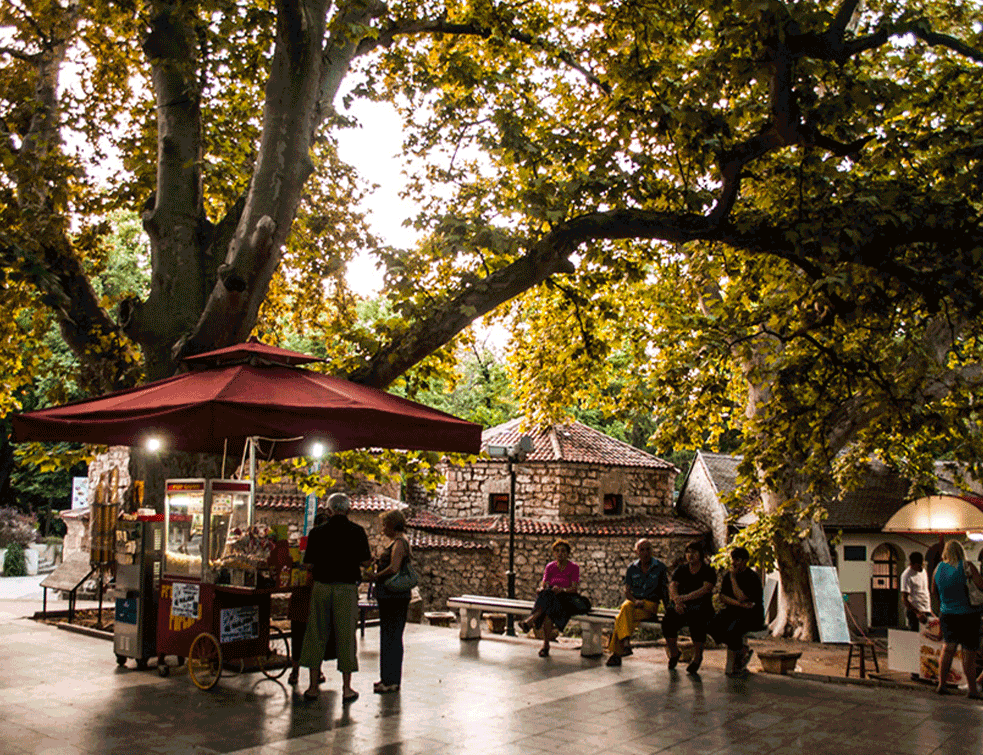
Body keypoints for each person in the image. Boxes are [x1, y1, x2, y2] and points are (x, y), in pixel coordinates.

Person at [299, 492, 372, 703]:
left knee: (316, 633)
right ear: (348, 510)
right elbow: (366, 562)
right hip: (346, 589)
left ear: (329, 511)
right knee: (346, 635)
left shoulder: (317, 533)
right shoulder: (357, 532)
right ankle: (347, 688)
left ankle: (313, 686)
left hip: (322, 587)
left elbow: (309, 564)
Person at [518, 539, 590, 657]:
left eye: (563, 551)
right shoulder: (550, 567)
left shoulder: (573, 567)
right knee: (547, 606)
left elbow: (574, 589)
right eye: (557, 551)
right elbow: (545, 584)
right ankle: (544, 644)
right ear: (554, 553)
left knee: (547, 600)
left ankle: (531, 623)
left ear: (567, 553)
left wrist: (562, 589)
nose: (560, 553)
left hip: (567, 598)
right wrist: (542, 588)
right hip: (551, 598)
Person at [932, 539, 983, 698]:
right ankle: (973, 690)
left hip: (947, 615)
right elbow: (980, 585)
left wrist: (943, 606)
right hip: (969, 615)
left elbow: (933, 591)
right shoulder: (967, 566)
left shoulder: (938, 569)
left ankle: (942, 684)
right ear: (961, 551)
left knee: (947, 649)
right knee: (969, 653)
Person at [605, 539, 667, 667]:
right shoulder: (632, 568)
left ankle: (619, 651)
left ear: (652, 550)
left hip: (650, 606)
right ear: (636, 552)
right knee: (626, 610)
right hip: (634, 605)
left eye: (647, 549)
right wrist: (635, 601)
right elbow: (627, 592)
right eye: (641, 549)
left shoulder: (660, 567)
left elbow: (664, 591)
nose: (645, 552)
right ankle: (624, 645)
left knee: (622, 614)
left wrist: (668, 610)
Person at [372, 509, 413, 693]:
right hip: (397, 597)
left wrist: (376, 576)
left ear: (391, 524)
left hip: (392, 596)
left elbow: (394, 567)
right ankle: (389, 678)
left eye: (384, 524)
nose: (382, 529)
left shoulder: (398, 543)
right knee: (393, 636)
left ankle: (390, 680)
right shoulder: (402, 541)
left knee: (390, 637)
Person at [287, 511, 330, 686]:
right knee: (311, 634)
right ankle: (306, 670)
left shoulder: (305, 543)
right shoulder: (321, 544)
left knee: (301, 634)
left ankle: (297, 671)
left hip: (305, 593)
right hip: (309, 594)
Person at [663, 540, 717, 674]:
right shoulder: (681, 569)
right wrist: (677, 601)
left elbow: (705, 589)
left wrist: (684, 598)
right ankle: (674, 653)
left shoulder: (708, 570)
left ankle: (697, 657)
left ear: (701, 554)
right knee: (668, 619)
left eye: (694, 552)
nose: (690, 555)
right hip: (682, 606)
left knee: (697, 620)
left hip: (701, 607)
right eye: (688, 552)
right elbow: (673, 585)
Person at [709, 547, 763, 676]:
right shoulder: (728, 575)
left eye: (737, 560)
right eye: (733, 559)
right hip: (734, 611)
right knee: (712, 624)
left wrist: (733, 579)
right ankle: (741, 651)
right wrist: (739, 604)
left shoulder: (752, 577)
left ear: (745, 561)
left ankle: (734, 664)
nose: (734, 563)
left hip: (751, 614)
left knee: (733, 631)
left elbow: (742, 597)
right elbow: (722, 597)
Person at [901, 551, 932, 632]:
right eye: (918, 566)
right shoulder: (906, 575)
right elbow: (904, 598)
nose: (920, 568)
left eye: (921, 565)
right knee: (916, 638)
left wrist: (929, 609)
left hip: (926, 609)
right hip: (915, 611)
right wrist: (917, 613)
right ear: (912, 564)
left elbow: (925, 591)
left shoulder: (924, 571)